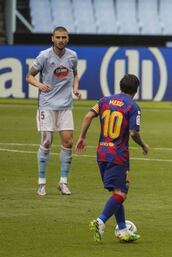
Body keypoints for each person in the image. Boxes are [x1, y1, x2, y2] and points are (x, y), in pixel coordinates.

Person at [75, 74, 149, 242]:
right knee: (122, 193)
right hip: (118, 155)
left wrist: (82, 137)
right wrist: (143, 145)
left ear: (120, 86)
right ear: (136, 90)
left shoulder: (104, 101)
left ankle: (122, 230)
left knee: (117, 193)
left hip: (101, 153)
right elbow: (133, 133)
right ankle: (100, 221)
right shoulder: (132, 107)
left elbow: (87, 116)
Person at [26, 26, 81, 196]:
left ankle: (63, 182)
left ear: (68, 38)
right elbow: (29, 76)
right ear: (52, 38)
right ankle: (41, 183)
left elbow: (75, 74)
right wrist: (40, 85)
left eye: (64, 37)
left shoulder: (72, 56)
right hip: (47, 104)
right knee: (47, 142)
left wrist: (75, 88)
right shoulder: (44, 56)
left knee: (68, 142)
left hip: (65, 105)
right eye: (58, 37)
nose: (61, 40)